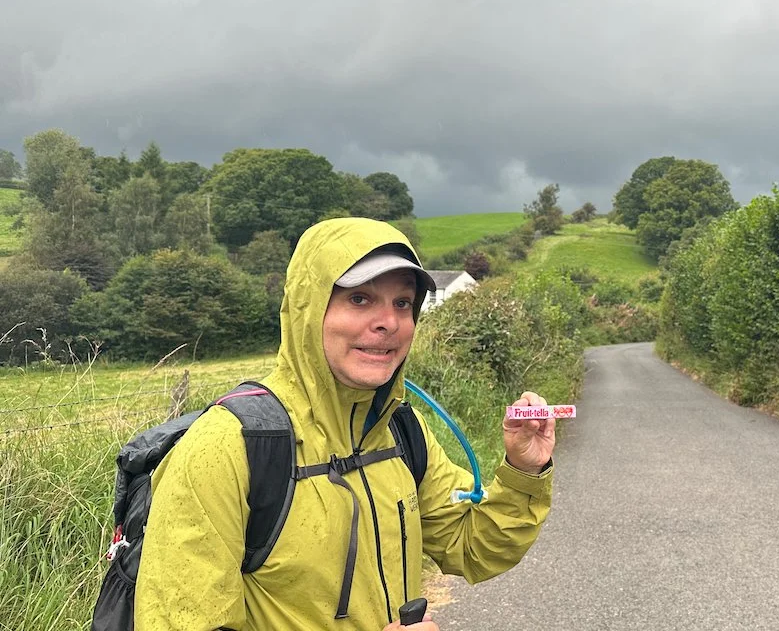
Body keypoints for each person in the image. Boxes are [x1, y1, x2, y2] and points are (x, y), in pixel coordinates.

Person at [134, 217, 556, 630]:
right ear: (308, 309)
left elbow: (473, 546)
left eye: (402, 303)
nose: (388, 322)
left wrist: (523, 470)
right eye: (359, 299)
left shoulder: (399, 430)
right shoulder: (228, 447)